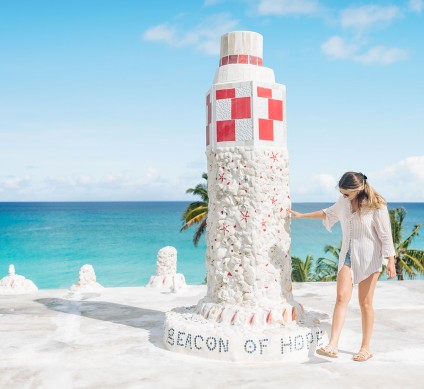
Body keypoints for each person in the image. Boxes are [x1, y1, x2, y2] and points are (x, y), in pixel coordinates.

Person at [287, 171, 396, 362]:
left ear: (358, 189)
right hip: (347, 255)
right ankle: (333, 345)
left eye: (346, 193)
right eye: (341, 192)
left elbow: (385, 235)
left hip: (370, 258)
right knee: (341, 298)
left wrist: (391, 261)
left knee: (365, 303)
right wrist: (301, 215)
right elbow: (328, 213)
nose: (343, 196)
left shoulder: (377, 205)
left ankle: (365, 348)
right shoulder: (344, 201)